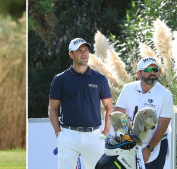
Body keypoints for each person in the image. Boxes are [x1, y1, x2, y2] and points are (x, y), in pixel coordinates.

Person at [48, 38, 113, 169]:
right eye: (79, 51)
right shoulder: (60, 79)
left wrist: (106, 130)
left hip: (94, 135)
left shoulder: (100, 78)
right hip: (68, 135)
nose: (84, 54)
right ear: (71, 54)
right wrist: (58, 133)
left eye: (86, 50)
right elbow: (52, 108)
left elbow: (109, 106)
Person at [114, 57, 174, 168]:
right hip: (129, 142)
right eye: (147, 70)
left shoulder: (165, 94)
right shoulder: (128, 88)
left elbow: (163, 126)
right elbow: (118, 114)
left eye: (155, 70)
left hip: (155, 145)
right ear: (138, 73)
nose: (152, 72)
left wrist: (148, 149)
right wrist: (122, 136)